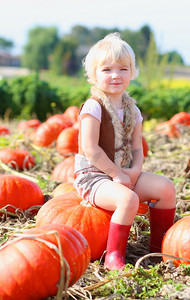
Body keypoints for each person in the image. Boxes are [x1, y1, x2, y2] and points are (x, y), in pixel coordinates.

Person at [73, 32, 176, 270]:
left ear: (132, 72)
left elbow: (138, 148)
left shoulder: (132, 110)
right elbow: (91, 149)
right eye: (107, 69)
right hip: (94, 176)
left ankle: (158, 248)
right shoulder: (94, 106)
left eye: (123, 69)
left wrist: (135, 171)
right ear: (93, 75)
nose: (115, 75)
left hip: (122, 173)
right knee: (128, 199)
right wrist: (117, 174)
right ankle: (114, 256)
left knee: (166, 188)